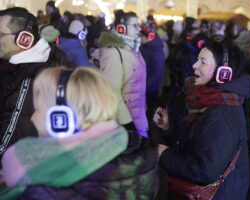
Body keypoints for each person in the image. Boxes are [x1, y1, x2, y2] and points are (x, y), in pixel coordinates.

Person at [0, 67, 159, 200]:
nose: (34, 118)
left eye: (39, 109)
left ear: (62, 118)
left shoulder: (37, 182)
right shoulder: (133, 151)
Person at [153, 41, 250, 200]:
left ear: (223, 73)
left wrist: (165, 155)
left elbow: (204, 171)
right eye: (197, 59)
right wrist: (169, 127)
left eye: (203, 62)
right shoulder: (207, 100)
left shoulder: (222, 114)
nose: (194, 65)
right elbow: (196, 143)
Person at [0, 7, 73, 161]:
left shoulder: (33, 75)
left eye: (0, 35)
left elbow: (12, 135)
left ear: (24, 39)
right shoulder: (14, 63)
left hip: (22, 165)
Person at [91, 11, 148, 137]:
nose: (139, 29)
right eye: (135, 25)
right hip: (126, 121)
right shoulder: (113, 53)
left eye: (138, 25)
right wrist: (127, 123)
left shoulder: (134, 49)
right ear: (121, 29)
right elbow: (111, 91)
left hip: (138, 115)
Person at [140, 22, 165, 122]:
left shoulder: (156, 50)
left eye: (141, 36)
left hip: (149, 89)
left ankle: (146, 135)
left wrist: (145, 86)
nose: (139, 38)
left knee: (147, 113)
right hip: (142, 86)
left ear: (147, 37)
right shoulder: (145, 47)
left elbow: (157, 73)